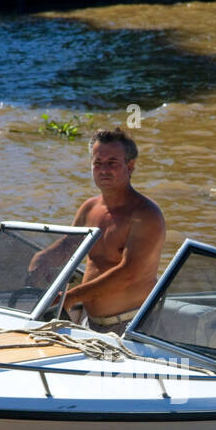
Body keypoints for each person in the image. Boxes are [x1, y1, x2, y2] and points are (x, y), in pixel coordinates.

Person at [28, 127, 165, 335]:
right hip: (90, 322)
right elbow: (66, 249)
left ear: (130, 166)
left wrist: (71, 297)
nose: (103, 170)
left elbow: (128, 274)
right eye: (97, 163)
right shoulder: (89, 209)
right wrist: (41, 259)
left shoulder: (146, 214)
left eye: (112, 163)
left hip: (132, 326)